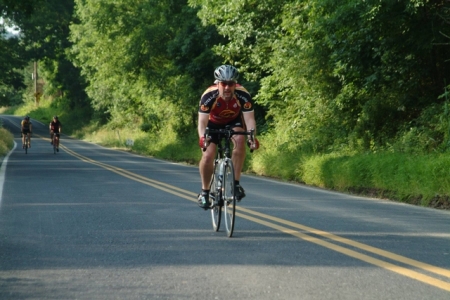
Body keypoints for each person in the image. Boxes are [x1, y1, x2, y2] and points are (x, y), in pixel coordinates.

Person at [197, 65, 260, 209]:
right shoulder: (209, 96)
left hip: (233, 122)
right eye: (223, 84)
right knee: (208, 156)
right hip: (212, 124)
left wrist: (252, 137)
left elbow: (250, 120)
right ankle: (205, 191)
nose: (227, 88)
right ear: (217, 83)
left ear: (235, 84)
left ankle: (236, 184)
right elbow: (202, 121)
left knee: (240, 139)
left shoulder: (243, 94)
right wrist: (203, 138)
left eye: (230, 84)